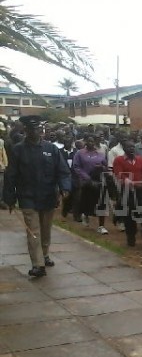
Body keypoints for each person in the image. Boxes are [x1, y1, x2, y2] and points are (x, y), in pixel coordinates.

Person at [3, 115, 71, 277]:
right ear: (26, 130)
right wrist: (9, 198)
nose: (36, 132)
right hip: (27, 197)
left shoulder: (51, 149)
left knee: (45, 229)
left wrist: (64, 188)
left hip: (48, 195)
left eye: (38, 129)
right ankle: (38, 264)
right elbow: (10, 175)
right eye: (32, 129)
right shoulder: (18, 149)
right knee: (33, 230)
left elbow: (62, 171)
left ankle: (45, 254)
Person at [73, 134, 109, 234]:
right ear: (85, 142)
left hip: (99, 182)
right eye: (88, 141)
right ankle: (86, 214)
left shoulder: (100, 154)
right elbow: (76, 167)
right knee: (87, 202)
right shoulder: (80, 153)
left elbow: (106, 167)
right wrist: (87, 178)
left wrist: (101, 167)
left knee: (101, 203)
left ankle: (101, 226)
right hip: (86, 182)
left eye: (93, 141)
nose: (91, 143)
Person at [0, 121, 9, 209]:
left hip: (1, 168)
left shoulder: (1, 141)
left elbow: (3, 154)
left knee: (1, 185)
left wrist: (5, 164)